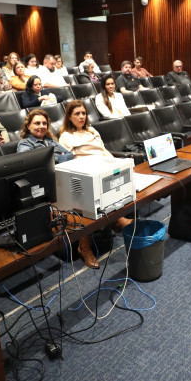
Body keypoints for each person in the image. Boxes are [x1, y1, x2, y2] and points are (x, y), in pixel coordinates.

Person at [57, 99, 131, 268]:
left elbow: (103, 151)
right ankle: (85, 247)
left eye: (83, 113)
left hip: (103, 169)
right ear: (69, 117)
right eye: (77, 114)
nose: (81, 116)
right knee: (86, 202)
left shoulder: (92, 131)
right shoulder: (65, 137)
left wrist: (117, 165)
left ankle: (116, 220)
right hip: (84, 175)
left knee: (116, 182)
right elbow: (69, 162)